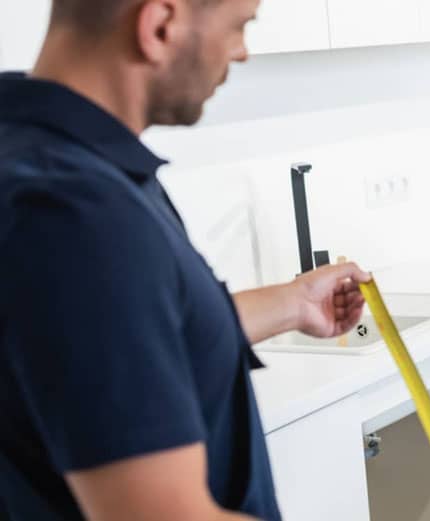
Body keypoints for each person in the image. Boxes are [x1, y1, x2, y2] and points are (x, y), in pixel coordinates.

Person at [0, 1, 370, 519]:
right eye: (238, 26)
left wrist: (291, 304)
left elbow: (128, 339)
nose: (242, 52)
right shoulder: (77, 213)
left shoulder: (41, 154)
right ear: (159, 25)